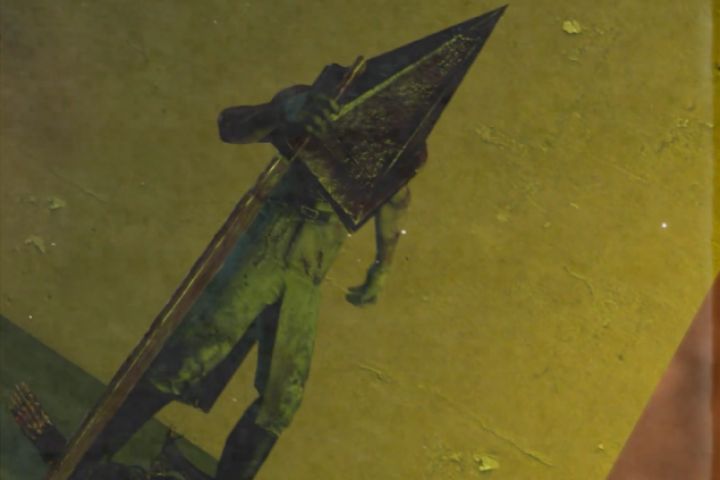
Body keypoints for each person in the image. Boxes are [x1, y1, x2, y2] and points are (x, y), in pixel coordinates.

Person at [12, 76, 426, 480]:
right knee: (187, 359)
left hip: (308, 270)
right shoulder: (326, 98)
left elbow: (394, 202)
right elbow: (231, 125)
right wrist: (284, 112)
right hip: (268, 243)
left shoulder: (397, 147)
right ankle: (84, 461)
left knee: (282, 400)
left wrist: (381, 268)